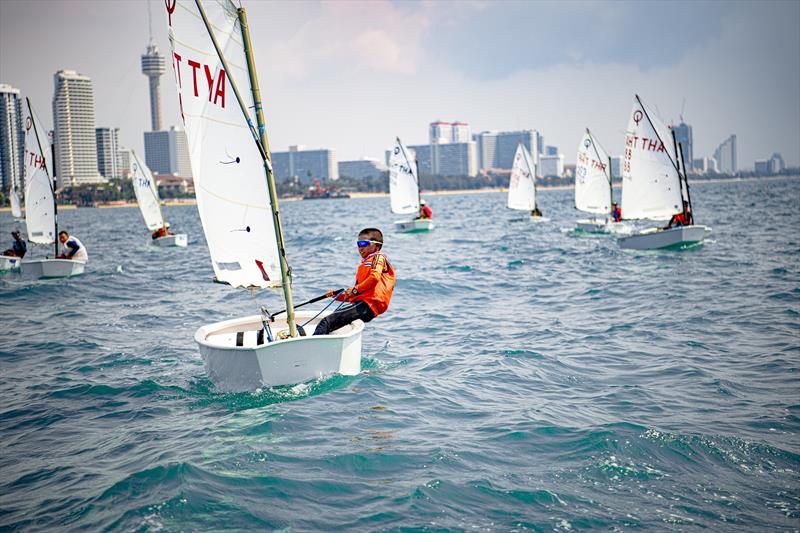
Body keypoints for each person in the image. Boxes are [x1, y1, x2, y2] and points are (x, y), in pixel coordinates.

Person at [314, 228, 396, 336]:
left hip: (367, 306)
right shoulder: (365, 265)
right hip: (363, 304)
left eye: (364, 243)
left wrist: (355, 289)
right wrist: (336, 296)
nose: (360, 248)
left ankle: (309, 349)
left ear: (377, 246)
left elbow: (374, 277)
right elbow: (355, 295)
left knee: (326, 322)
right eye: (358, 244)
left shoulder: (378, 257)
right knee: (330, 323)